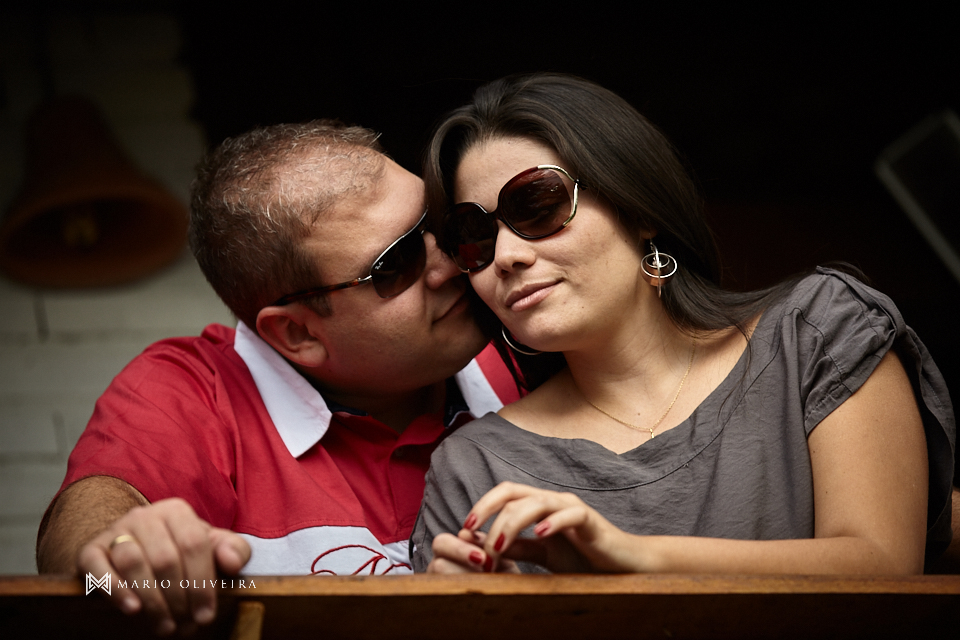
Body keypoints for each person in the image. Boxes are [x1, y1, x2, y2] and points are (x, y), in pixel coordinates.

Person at [410, 73, 956, 575]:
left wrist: (631, 555)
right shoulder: (474, 466)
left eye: (536, 204)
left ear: (638, 207)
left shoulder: (815, 333)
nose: (506, 255)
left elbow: (882, 566)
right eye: (474, 236)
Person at [35, 121, 520, 635]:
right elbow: (83, 556)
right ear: (296, 334)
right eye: (396, 264)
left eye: (437, 222)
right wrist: (126, 549)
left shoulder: (520, 338)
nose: (451, 262)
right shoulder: (193, 387)